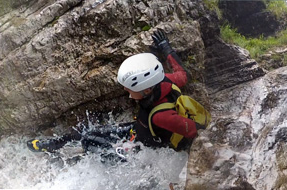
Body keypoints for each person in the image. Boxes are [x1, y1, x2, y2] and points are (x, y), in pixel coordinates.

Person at [27, 31, 203, 154]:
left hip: (144, 149)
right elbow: (183, 75)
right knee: (92, 131)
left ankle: (97, 155)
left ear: (147, 89)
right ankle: (55, 144)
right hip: (139, 132)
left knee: (89, 141)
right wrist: (166, 50)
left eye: (130, 89)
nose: (127, 93)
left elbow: (194, 130)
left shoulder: (161, 116)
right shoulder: (166, 80)